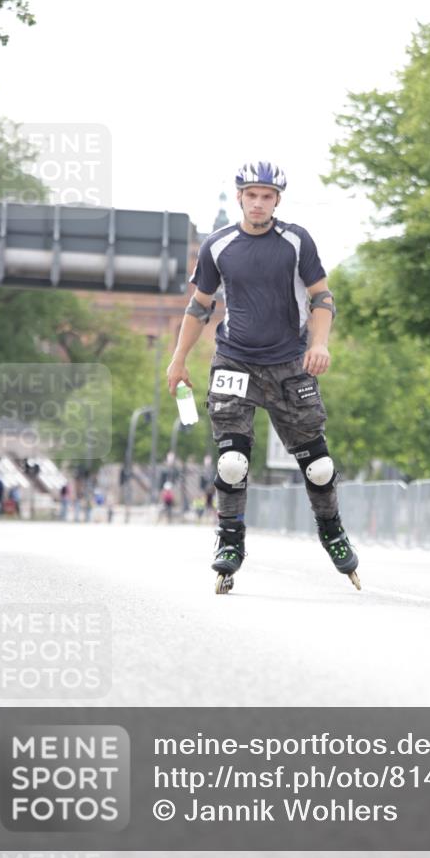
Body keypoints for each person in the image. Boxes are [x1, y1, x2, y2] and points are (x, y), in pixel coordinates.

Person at [166, 160, 359, 591]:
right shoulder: (218, 245)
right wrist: (178, 360)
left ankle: (332, 531)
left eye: (266, 196)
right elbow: (199, 306)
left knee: (319, 467)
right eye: (251, 195)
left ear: (277, 201)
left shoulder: (296, 241)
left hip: (289, 364)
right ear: (239, 197)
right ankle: (229, 540)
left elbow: (322, 297)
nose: (258, 203)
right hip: (234, 361)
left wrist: (319, 343)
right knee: (232, 462)